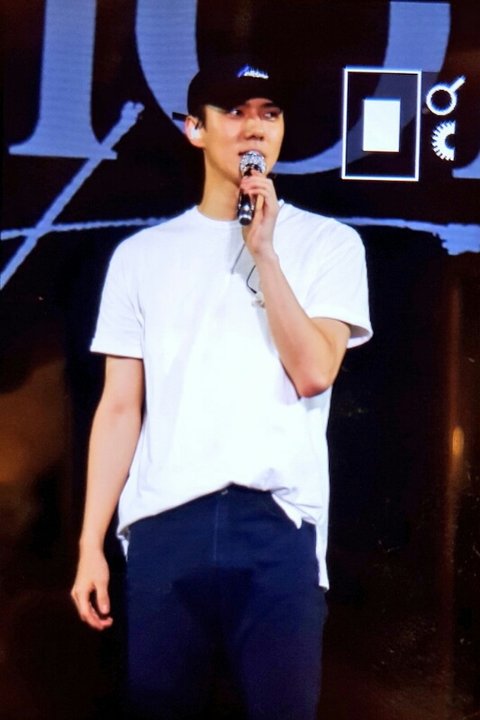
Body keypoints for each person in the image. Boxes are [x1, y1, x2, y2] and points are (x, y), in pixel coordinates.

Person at [71, 57, 372, 719]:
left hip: (278, 528)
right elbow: (119, 407)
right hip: (166, 527)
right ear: (195, 129)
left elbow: (314, 371)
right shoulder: (142, 256)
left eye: (269, 113)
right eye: (234, 112)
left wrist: (264, 250)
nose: (254, 128)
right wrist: (91, 544)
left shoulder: (329, 244)